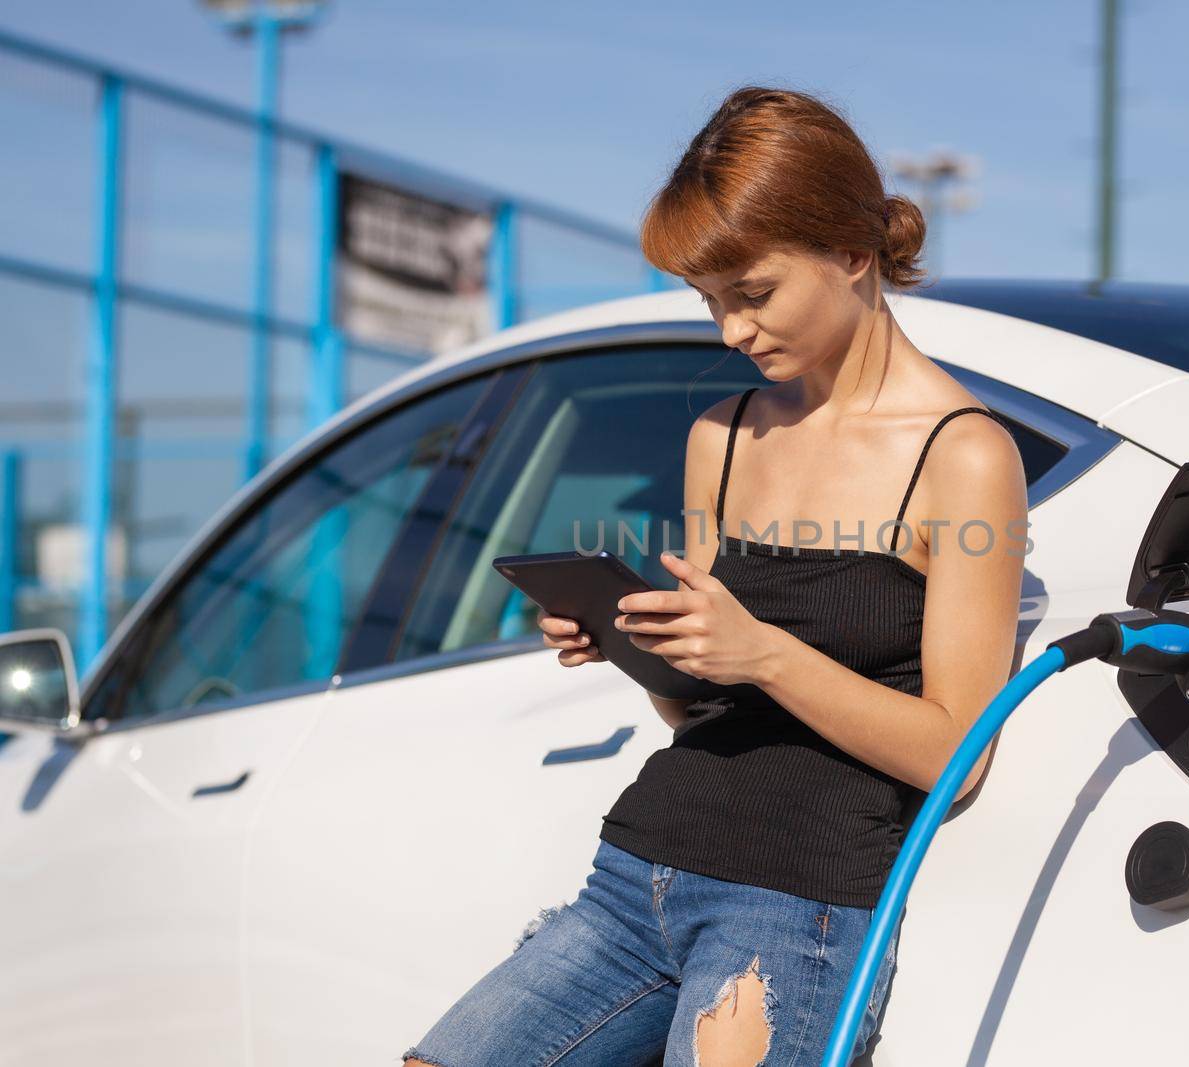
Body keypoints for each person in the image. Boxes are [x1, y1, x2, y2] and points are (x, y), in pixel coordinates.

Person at [401, 85, 1028, 1067]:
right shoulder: (723, 437)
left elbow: (961, 757)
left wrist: (765, 653)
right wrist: (632, 644)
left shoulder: (963, 454)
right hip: (637, 868)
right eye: (709, 299)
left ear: (852, 254)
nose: (730, 328)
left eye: (753, 291)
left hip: (797, 903)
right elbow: (702, 714)